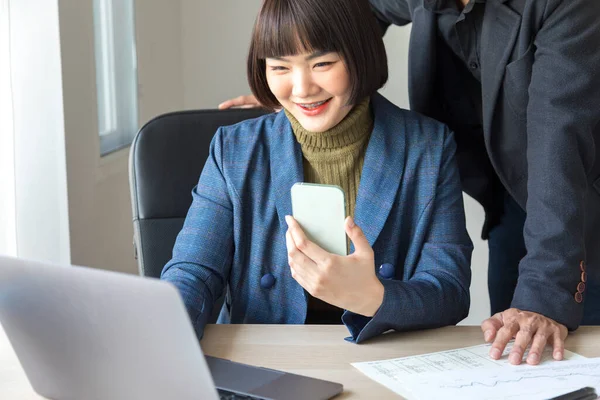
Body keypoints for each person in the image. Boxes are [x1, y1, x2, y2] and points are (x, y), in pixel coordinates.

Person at [220, 0, 600, 364]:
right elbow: (343, 13)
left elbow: (559, 146)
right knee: (509, 347)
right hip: (507, 192)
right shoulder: (234, 146)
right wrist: (294, 83)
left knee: (551, 346)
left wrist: (545, 296)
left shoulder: (566, 6)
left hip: (577, 202)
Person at [162, 0, 473, 343]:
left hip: (381, 354)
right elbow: (194, 272)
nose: (302, 89)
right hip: (269, 360)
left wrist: (370, 295)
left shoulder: (427, 145)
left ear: (360, 56)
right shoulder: (235, 148)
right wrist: (166, 337)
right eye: (280, 68)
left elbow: (450, 291)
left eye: (322, 63)